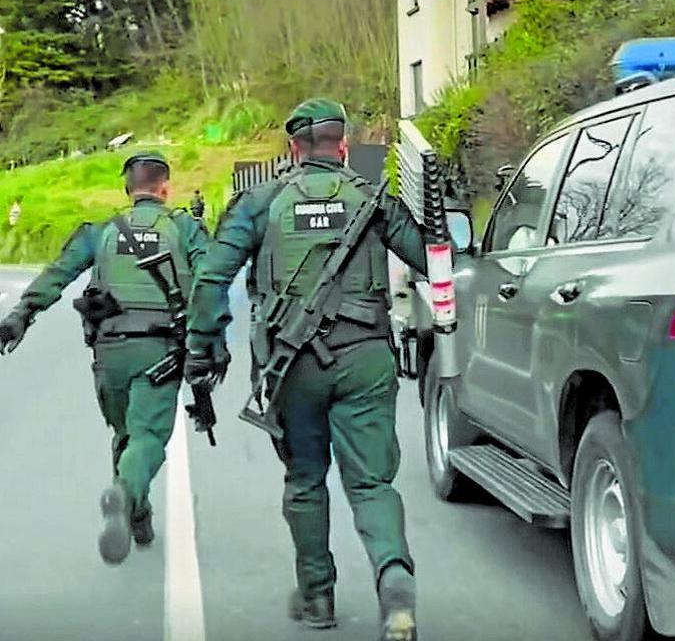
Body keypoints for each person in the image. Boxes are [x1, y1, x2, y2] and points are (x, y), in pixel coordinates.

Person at [186, 99, 429, 641]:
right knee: (371, 483)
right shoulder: (372, 200)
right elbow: (434, 257)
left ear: (292, 148)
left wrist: (204, 350)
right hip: (366, 358)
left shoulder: (260, 202)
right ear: (343, 147)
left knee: (304, 480)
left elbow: (210, 281)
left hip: (291, 366)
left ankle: (318, 597)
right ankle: (394, 580)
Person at [0, 152, 209, 564]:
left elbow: (58, 273)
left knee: (125, 433)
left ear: (128, 189)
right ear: (165, 188)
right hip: (161, 348)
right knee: (147, 436)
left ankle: (138, 514)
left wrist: (20, 316)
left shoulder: (102, 232)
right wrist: (209, 343)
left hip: (109, 350)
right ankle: (126, 494)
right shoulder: (184, 228)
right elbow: (211, 281)